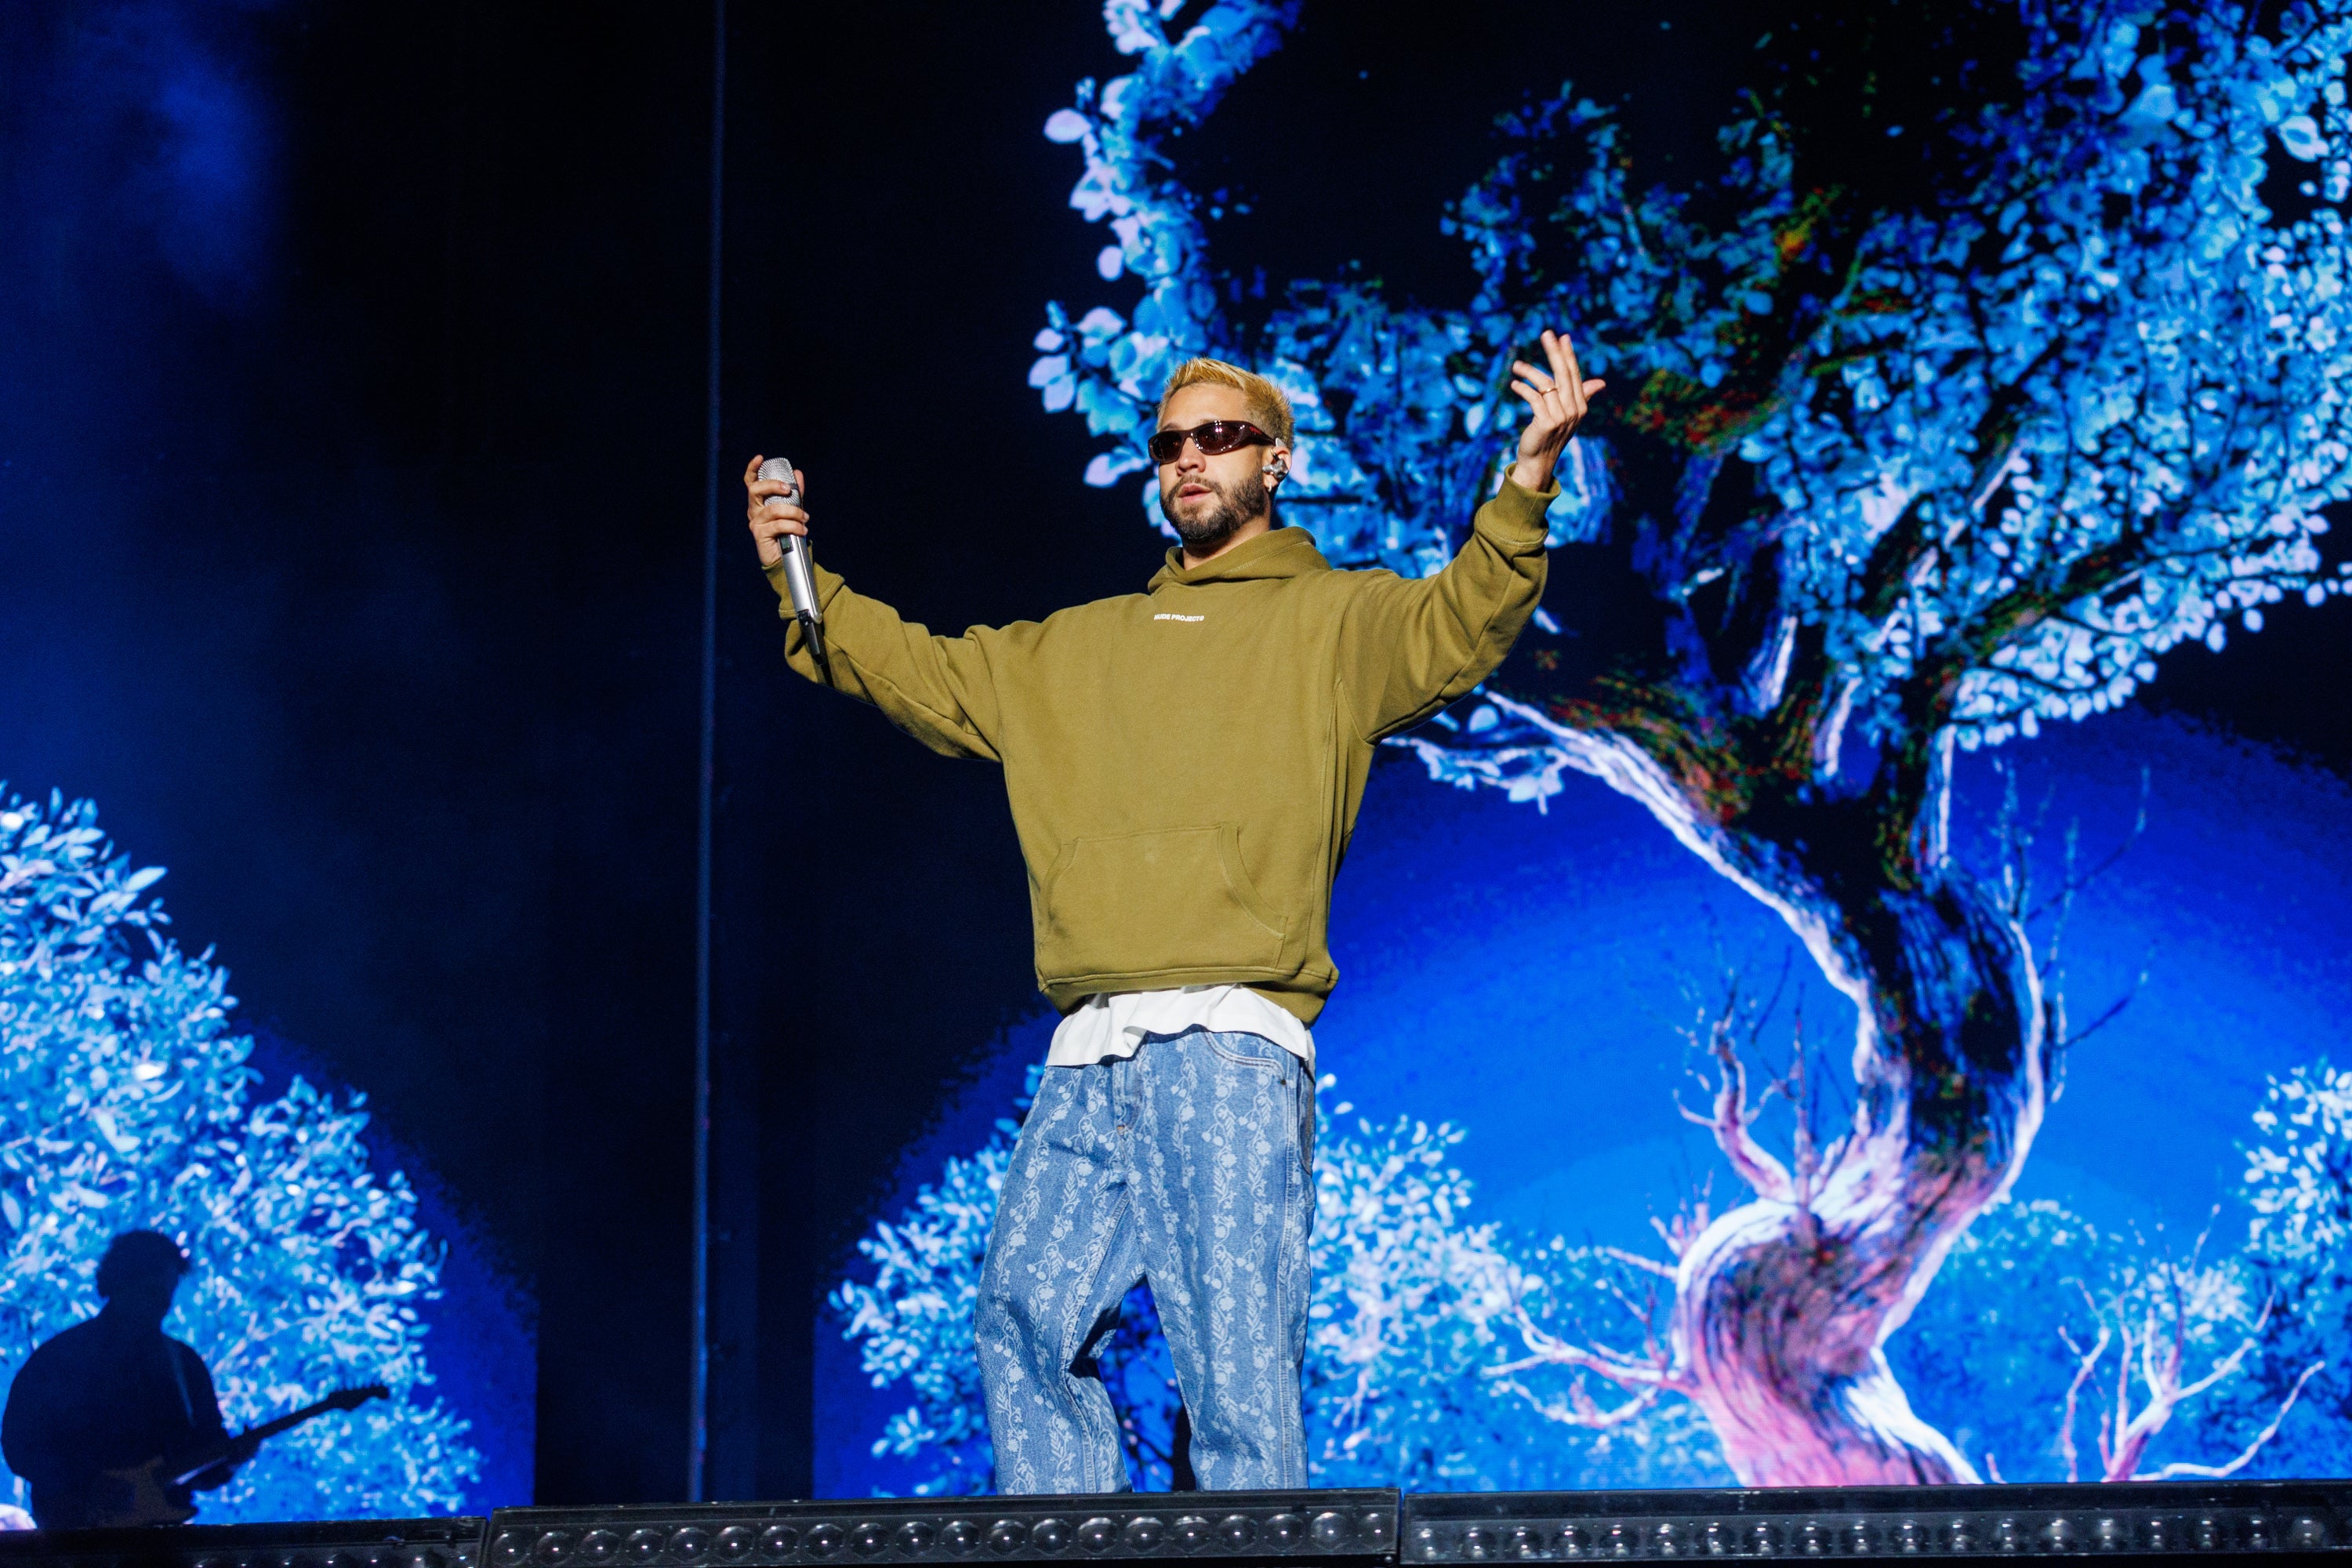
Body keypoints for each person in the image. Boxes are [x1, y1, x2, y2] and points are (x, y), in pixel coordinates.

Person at [746, 332, 1602, 1493]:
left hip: (1233, 1043)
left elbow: (1461, 625)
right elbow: (918, 670)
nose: (1189, 459)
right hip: (1090, 1051)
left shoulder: (1336, 622)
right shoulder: (1076, 648)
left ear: (1278, 463)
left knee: (1238, 1383)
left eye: (1219, 437)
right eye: (1169, 445)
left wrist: (1528, 477)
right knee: (1023, 1323)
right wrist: (801, 580)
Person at [2, 1231, 238, 1528]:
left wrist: (229, 1459)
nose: (163, 1300)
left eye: (168, 1287)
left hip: (162, 1541)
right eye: (152, 1287)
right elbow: (21, 1445)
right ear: (119, 1280)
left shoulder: (184, 1365)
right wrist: (89, 1483)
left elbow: (201, 1467)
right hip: (77, 1539)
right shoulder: (62, 1359)